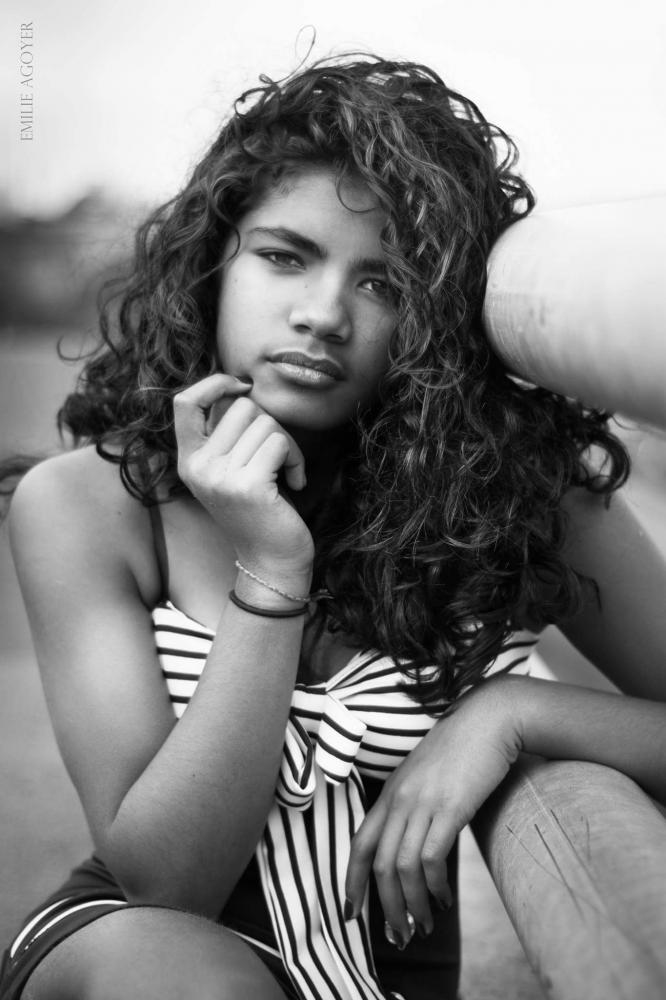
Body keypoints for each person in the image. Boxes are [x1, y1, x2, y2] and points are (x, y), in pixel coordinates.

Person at [1, 53, 665, 1000]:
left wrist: (513, 715)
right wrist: (273, 568)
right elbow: (167, 884)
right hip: (146, 959)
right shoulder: (87, 505)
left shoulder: (516, 492)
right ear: (214, 265)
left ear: (441, 322)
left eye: (385, 285)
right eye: (284, 256)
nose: (322, 316)